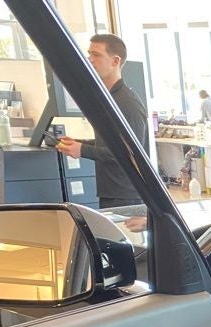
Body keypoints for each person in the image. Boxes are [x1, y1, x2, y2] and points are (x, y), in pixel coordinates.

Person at [55, 34, 148, 209]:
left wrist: (82, 150)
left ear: (115, 61)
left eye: (96, 55)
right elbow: (111, 143)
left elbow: (130, 153)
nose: (90, 60)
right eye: (89, 54)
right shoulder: (109, 99)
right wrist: (78, 143)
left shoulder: (127, 102)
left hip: (126, 194)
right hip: (110, 191)